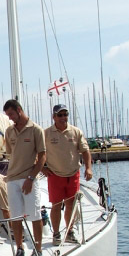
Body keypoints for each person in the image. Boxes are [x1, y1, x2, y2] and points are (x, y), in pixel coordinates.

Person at [3, 99, 46, 256]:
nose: (10, 118)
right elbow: (10, 153)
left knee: (35, 215)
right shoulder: (9, 131)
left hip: (29, 178)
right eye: (7, 115)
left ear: (19, 110)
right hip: (12, 178)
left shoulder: (36, 130)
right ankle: (20, 248)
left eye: (11, 114)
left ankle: (38, 250)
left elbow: (42, 156)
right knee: (15, 217)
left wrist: (31, 177)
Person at [43, 104, 92, 245]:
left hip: (73, 174)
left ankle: (70, 231)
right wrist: (42, 168)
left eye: (65, 114)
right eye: (60, 115)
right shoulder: (46, 133)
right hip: (55, 175)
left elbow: (85, 151)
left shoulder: (76, 132)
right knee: (56, 205)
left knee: (71, 204)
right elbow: (38, 152)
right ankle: (56, 234)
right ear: (54, 117)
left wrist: (88, 168)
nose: (63, 117)